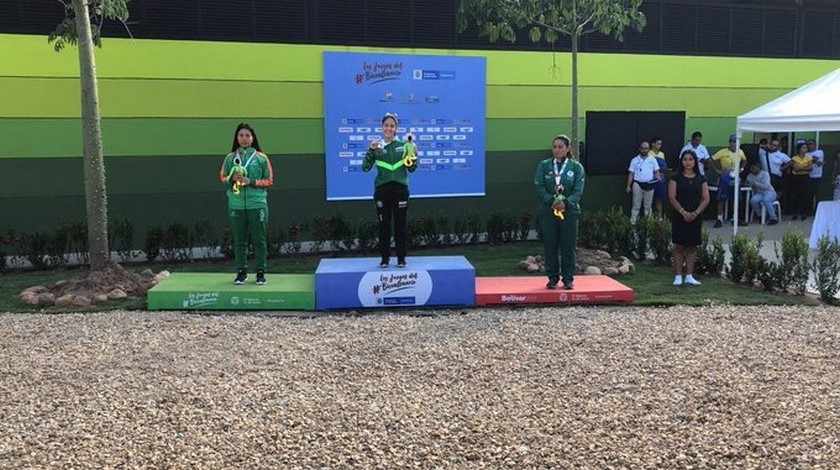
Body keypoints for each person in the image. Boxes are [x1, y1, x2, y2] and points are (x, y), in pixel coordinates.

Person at [219, 123, 274, 285]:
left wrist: (251, 181)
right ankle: (241, 272)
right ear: (237, 138)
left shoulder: (261, 158)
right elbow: (223, 177)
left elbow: (269, 180)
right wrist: (231, 178)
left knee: (259, 240)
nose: (244, 139)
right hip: (236, 204)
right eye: (241, 135)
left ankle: (260, 272)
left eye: (247, 135)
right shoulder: (230, 158)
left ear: (252, 138)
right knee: (239, 240)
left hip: (257, 203)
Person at [362, 113, 417, 268]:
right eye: (386, 125)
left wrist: (413, 155)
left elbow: (412, 168)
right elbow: (365, 167)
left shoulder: (403, 145)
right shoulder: (377, 147)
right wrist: (370, 150)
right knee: (384, 226)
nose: (389, 128)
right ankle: (385, 258)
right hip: (382, 190)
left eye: (392, 126)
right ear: (382, 127)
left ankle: (401, 258)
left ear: (396, 128)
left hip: (400, 190)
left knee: (400, 225)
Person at [534, 134, 585, 290]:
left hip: (569, 213)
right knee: (550, 246)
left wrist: (566, 203)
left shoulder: (576, 167)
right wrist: (552, 200)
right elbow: (539, 186)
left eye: (560, 147)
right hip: (548, 212)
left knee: (568, 246)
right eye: (554, 147)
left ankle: (568, 279)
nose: (557, 150)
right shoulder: (544, 165)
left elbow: (578, 190)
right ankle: (552, 278)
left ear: (568, 148)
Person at [669, 149, 710, 286]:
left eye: (691, 159)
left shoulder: (701, 178)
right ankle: (678, 276)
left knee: (692, 247)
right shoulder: (675, 177)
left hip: (695, 217)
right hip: (679, 216)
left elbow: (706, 198)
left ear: (695, 162)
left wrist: (695, 213)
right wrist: (683, 212)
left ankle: (689, 275)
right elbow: (672, 197)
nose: (688, 162)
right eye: (685, 159)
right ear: (681, 161)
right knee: (679, 246)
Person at [710, 134, 746, 228]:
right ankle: (719, 219)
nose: (732, 144)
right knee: (721, 198)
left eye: (735, 142)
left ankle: (735, 218)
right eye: (731, 141)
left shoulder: (740, 152)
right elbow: (711, 159)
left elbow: (745, 160)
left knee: (736, 198)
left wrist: (741, 168)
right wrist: (717, 170)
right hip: (725, 177)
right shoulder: (723, 151)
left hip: (735, 178)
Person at [625, 140, 660, 225]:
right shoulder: (634, 160)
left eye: (646, 148)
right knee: (636, 206)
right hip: (637, 184)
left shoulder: (653, 159)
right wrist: (628, 186)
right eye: (643, 148)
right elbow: (631, 174)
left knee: (648, 207)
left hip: (650, 185)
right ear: (640, 149)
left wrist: (657, 180)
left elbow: (657, 172)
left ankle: (649, 226)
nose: (645, 150)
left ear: (649, 149)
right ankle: (633, 225)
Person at [746, 161, 779, 225]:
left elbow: (766, 186)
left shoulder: (765, 174)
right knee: (753, 201)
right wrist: (747, 184)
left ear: (758, 167)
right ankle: (760, 216)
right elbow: (749, 184)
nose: (752, 170)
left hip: (769, 192)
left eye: (753, 168)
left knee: (766, 200)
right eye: (751, 168)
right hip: (759, 193)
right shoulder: (749, 176)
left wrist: (755, 184)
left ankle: (773, 218)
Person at [790, 143, 814, 221]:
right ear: (799, 149)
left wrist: (800, 167)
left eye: (806, 148)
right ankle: (795, 213)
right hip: (796, 178)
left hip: (805, 177)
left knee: (805, 195)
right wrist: (805, 167)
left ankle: (804, 213)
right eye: (803, 148)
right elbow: (795, 169)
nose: (805, 149)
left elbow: (811, 168)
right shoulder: (795, 158)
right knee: (796, 195)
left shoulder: (809, 158)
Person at [650, 137, 669, 218]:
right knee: (649, 200)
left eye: (660, 144)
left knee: (659, 200)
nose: (660, 146)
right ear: (653, 144)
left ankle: (660, 218)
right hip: (651, 180)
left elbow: (664, 167)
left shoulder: (662, 154)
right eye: (658, 144)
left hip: (660, 181)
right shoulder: (648, 154)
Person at [807, 139, 825, 212]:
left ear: (815, 144)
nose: (809, 146)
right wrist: (817, 162)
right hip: (808, 176)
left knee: (817, 195)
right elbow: (815, 161)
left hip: (817, 176)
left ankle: (817, 211)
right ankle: (809, 210)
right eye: (808, 144)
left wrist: (811, 160)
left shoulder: (819, 152)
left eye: (811, 144)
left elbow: (813, 159)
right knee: (809, 194)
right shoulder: (807, 154)